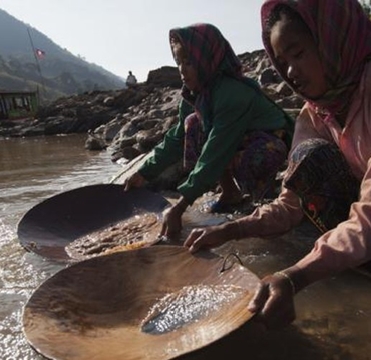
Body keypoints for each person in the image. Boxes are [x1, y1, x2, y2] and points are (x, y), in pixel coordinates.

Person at [184, 0, 371, 329]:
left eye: (299, 54)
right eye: (283, 62)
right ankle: (370, 272)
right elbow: (290, 205)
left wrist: (295, 276)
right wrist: (231, 230)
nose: (291, 74)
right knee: (310, 158)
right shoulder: (317, 113)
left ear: (332, 40)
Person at [124, 23, 294, 238]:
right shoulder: (195, 95)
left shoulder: (232, 93)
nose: (182, 70)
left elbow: (217, 148)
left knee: (257, 155)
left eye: (189, 62)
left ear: (207, 60)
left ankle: (261, 200)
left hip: (270, 141)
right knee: (192, 125)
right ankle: (230, 193)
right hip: (237, 139)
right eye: (178, 62)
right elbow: (177, 138)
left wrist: (181, 205)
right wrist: (143, 172)